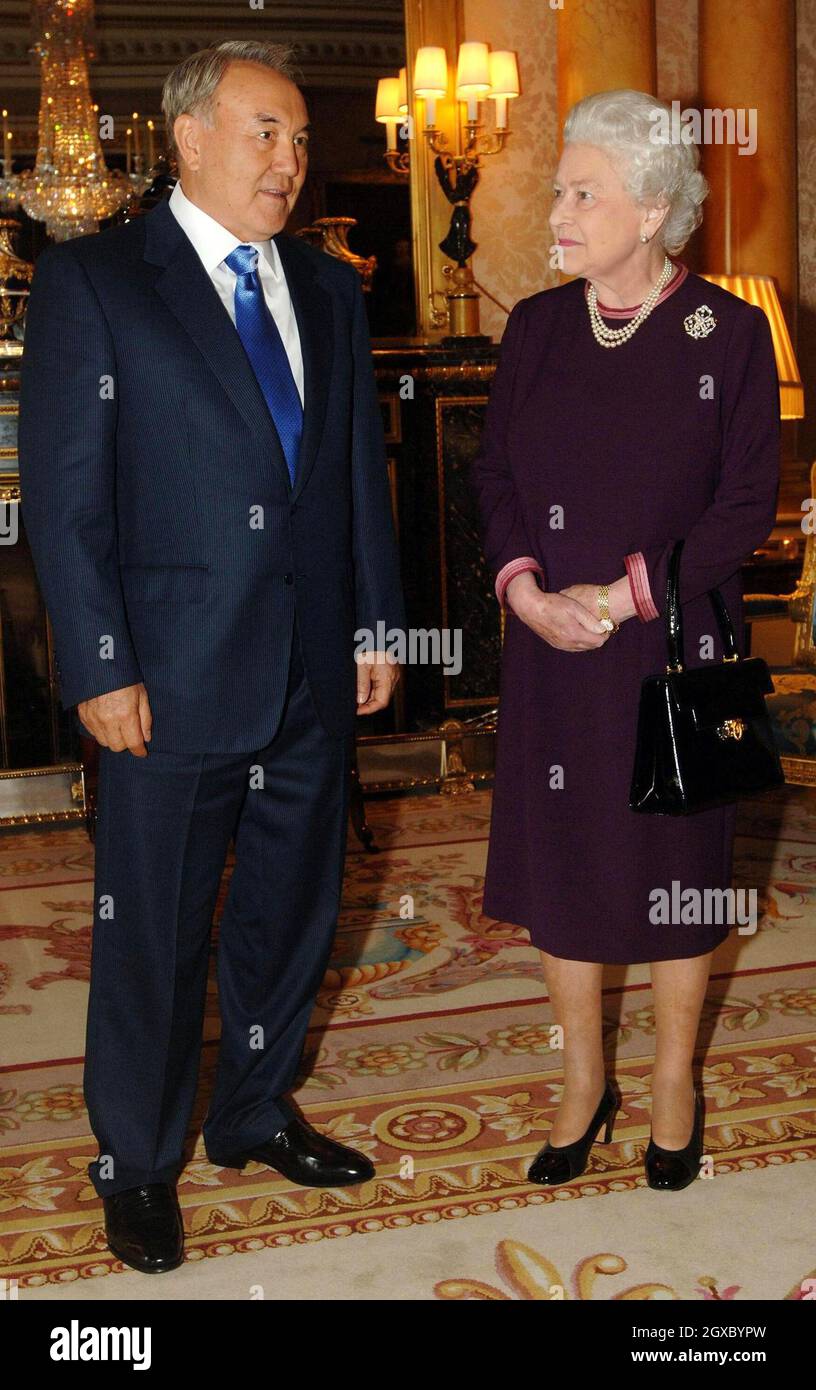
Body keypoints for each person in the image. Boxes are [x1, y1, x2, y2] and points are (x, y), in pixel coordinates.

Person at [18, 39, 406, 1273]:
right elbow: (66, 499)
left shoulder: (331, 288)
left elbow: (355, 474)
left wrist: (379, 622)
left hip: (309, 666)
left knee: (293, 911)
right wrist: (97, 665)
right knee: (155, 928)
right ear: (187, 137)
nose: (289, 160)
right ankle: (135, 1160)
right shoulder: (95, 282)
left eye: (299, 138)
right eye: (264, 132)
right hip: (167, 674)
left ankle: (250, 1108)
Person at [470, 89, 780, 1193]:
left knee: (675, 872)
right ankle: (582, 1082)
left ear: (650, 209)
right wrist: (525, 589)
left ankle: (672, 1088)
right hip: (553, 646)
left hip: (676, 653)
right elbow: (494, 473)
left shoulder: (729, 333)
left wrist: (628, 594)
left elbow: (750, 504)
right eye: (559, 189)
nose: (557, 210)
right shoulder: (539, 326)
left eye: (581, 192)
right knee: (565, 866)